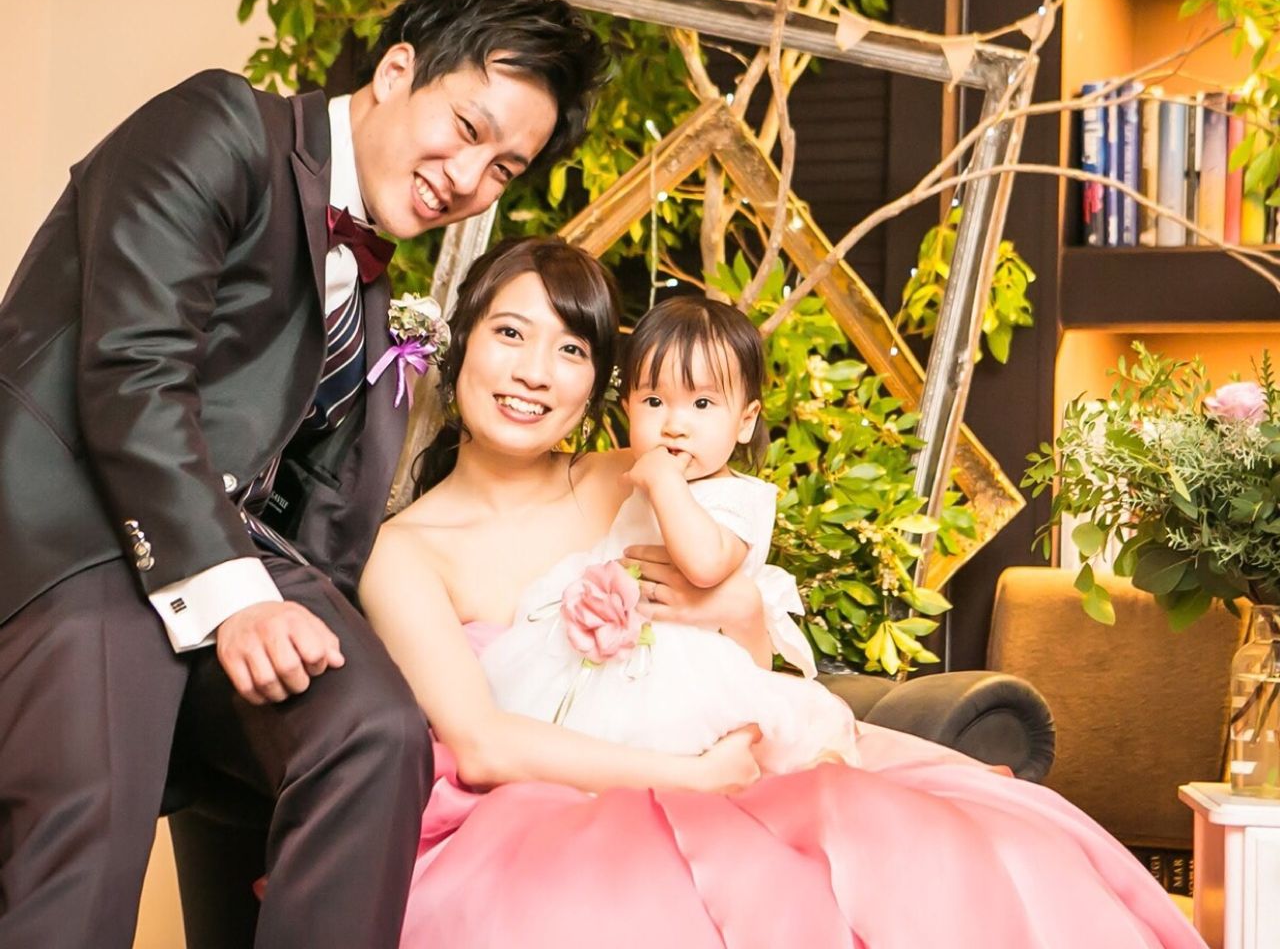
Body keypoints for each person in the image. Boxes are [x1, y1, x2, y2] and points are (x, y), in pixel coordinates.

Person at [363, 235, 1206, 949]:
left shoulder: (643, 470)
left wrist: (738, 614)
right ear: (460, 341)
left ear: (599, 386)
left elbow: (745, 657)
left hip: (737, 750)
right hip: (558, 812)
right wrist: (691, 778)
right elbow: (483, 746)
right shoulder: (404, 554)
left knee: (967, 849)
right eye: (511, 333)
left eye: (571, 350)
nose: (534, 373)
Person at [0, 0, 605, 949]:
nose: (469, 176)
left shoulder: (367, 287)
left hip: (222, 569)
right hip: (81, 536)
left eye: (504, 167)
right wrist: (235, 596)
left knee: (376, 732)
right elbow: (134, 369)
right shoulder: (218, 125)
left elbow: (312, 515)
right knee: (90, 827)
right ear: (397, 70)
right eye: (466, 127)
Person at [478, 295, 859, 770]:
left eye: (702, 403)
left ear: (745, 422)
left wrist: (663, 482)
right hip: (612, 655)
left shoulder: (736, 497)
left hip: (689, 672)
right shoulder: (634, 483)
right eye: (654, 402)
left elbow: (705, 565)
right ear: (628, 409)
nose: (675, 425)